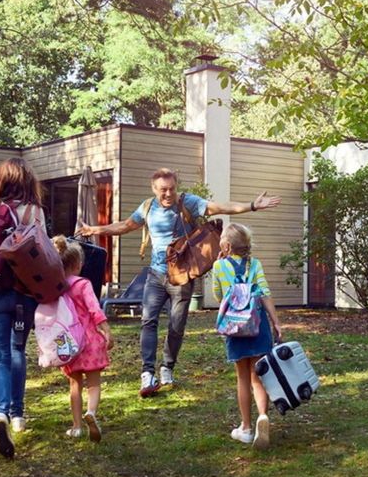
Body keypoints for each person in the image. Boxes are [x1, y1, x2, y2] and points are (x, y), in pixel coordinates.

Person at [76, 167, 281, 397]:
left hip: (182, 275)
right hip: (155, 275)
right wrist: (95, 229)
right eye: (163, 190)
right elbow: (125, 226)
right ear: (154, 189)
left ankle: (167, 367)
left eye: (172, 188)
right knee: (148, 321)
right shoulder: (147, 207)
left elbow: (219, 207)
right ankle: (147, 372)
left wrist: (251, 205)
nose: (168, 194)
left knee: (176, 325)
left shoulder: (188, 202)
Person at [0, 157, 46, 459]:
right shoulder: (33, 211)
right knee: (17, 351)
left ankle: (0, 412)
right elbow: (42, 253)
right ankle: (17, 415)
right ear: (27, 179)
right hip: (22, 294)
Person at [212, 223, 281, 450]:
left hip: (235, 327)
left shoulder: (219, 266)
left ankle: (246, 427)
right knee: (258, 376)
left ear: (227, 245)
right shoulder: (256, 264)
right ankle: (263, 416)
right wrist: (276, 322)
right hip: (258, 325)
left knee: (242, 377)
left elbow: (218, 295)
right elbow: (265, 293)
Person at [52, 235, 114, 442]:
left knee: (74, 384)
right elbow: (94, 309)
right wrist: (106, 329)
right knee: (94, 383)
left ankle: (77, 426)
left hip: (69, 343)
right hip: (90, 341)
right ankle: (92, 413)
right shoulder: (83, 284)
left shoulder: (57, 287)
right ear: (79, 265)